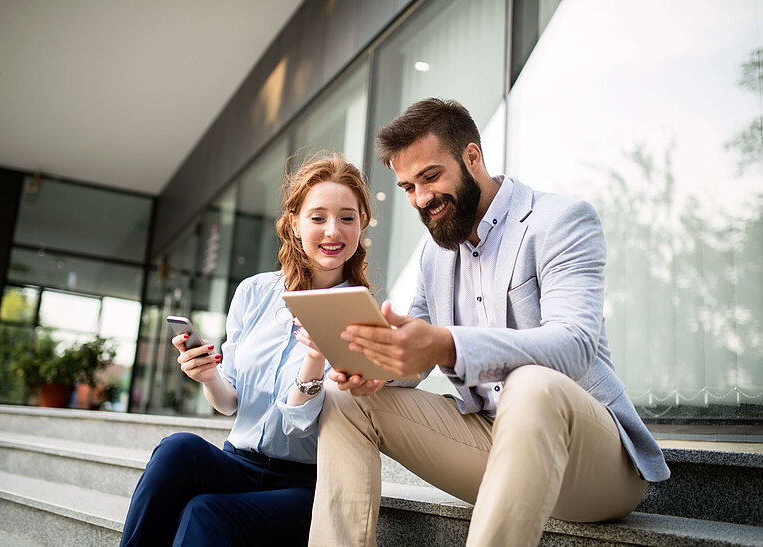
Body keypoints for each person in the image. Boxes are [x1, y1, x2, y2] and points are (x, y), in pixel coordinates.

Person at [307, 99, 671, 546]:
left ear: (472, 157)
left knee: (532, 384)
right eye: (407, 187)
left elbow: (575, 345)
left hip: (592, 465)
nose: (421, 198)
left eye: (431, 177)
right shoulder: (433, 254)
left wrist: (445, 345)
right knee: (341, 398)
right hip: (492, 445)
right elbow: (415, 357)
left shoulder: (560, 220)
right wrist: (374, 367)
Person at [119, 153, 373, 546]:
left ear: (362, 224)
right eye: (318, 217)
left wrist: (314, 358)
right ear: (295, 222)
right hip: (239, 460)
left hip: (307, 484)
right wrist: (208, 376)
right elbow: (230, 402)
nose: (332, 231)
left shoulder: (360, 315)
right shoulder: (254, 292)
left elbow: (297, 426)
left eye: (347, 217)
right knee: (177, 449)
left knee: (203, 511)